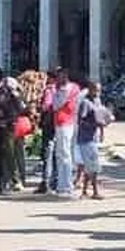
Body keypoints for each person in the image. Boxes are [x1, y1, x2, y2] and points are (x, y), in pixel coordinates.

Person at [0, 67, 26, 194]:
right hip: (2, 125)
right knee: (5, 154)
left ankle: (15, 180)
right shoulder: (0, 89)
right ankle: (7, 180)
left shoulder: (3, 90)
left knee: (9, 153)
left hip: (6, 126)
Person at [48, 67, 81, 199]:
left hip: (65, 123)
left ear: (65, 76)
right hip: (64, 122)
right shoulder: (73, 88)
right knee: (62, 154)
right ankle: (62, 185)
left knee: (65, 154)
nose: (58, 79)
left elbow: (56, 105)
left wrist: (56, 91)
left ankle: (66, 186)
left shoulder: (67, 89)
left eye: (60, 76)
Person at [74, 82, 109, 199]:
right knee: (92, 166)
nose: (97, 93)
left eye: (99, 90)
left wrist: (102, 130)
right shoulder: (85, 103)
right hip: (85, 139)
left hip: (93, 138)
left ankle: (86, 191)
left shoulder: (97, 102)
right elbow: (81, 121)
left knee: (91, 166)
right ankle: (93, 191)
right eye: (95, 90)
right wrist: (94, 124)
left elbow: (101, 117)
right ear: (89, 90)